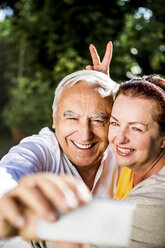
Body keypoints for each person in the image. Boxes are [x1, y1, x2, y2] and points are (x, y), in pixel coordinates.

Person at [0, 42, 119, 248]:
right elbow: (9, 171)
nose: (85, 134)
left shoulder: (124, 151)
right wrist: (6, 196)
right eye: (71, 118)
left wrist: (110, 93)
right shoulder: (42, 148)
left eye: (99, 120)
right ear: (54, 120)